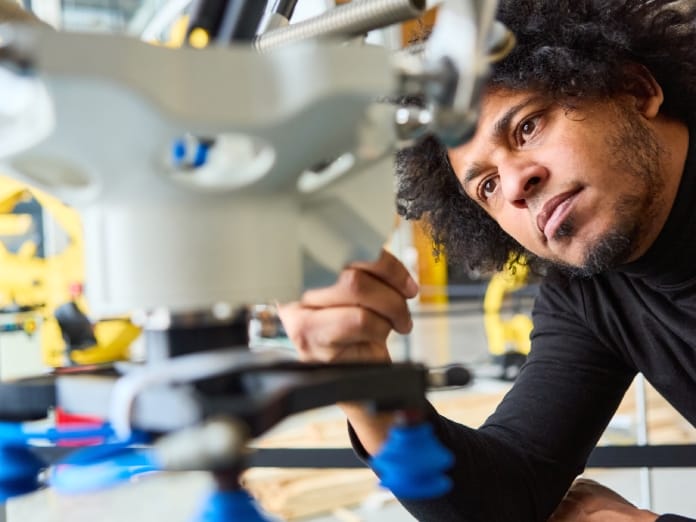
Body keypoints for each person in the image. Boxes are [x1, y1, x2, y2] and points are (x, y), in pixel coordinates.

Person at [278, 0, 696, 521]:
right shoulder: (588, 294)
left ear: (638, 90)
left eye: (526, 128)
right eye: (488, 185)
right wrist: (363, 383)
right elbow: (504, 493)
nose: (517, 185)